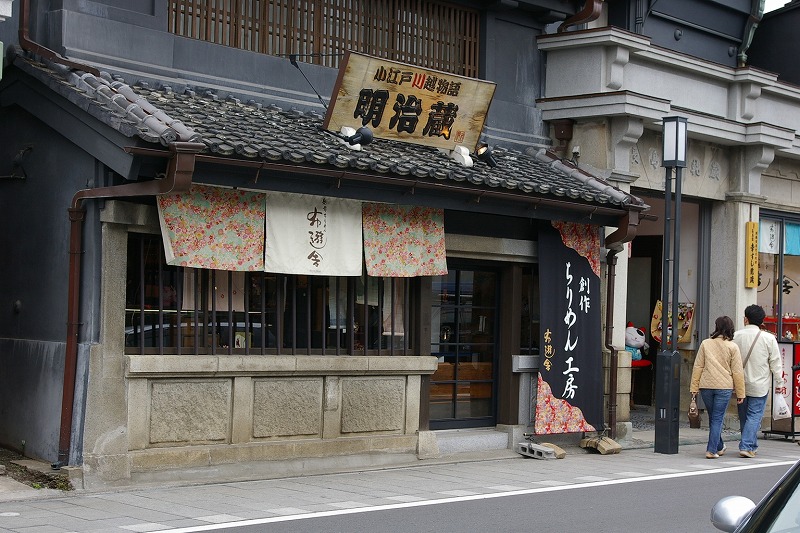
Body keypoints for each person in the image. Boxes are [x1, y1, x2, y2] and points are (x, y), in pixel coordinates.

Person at [690, 316, 745, 459]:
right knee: (717, 418)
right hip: (724, 386)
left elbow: (698, 366)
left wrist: (694, 388)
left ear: (716, 327)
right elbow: (737, 372)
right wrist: (740, 393)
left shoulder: (705, 343)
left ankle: (719, 446)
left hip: (706, 386)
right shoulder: (732, 346)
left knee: (713, 417)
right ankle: (711, 450)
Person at [733, 304, 783, 458]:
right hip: (759, 385)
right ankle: (746, 446)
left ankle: (751, 445)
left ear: (745, 319)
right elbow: (776, 363)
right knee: (754, 416)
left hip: (740, 384)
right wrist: (779, 383)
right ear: (762, 321)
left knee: (744, 417)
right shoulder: (769, 338)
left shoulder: (736, 336)